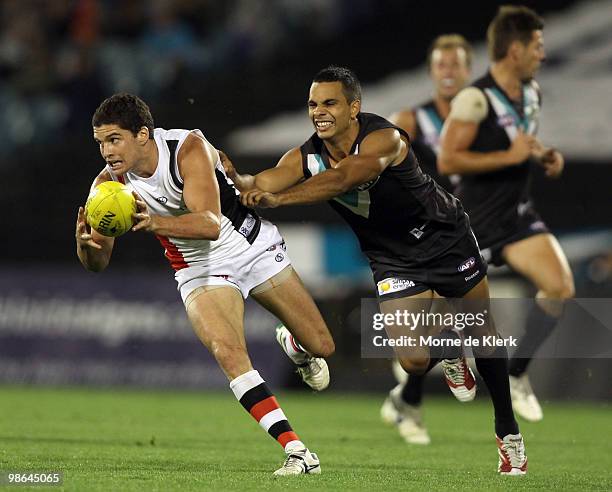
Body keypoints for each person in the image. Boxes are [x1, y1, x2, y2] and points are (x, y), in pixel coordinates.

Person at [224, 66, 528, 475]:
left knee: (483, 332)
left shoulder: (385, 138)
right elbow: (263, 180)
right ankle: (448, 349)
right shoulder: (305, 155)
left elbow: (347, 177)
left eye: (329, 103)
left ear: (354, 107)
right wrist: (235, 179)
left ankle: (507, 432)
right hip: (393, 258)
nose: (319, 112)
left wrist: (281, 201)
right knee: (413, 360)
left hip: (446, 240)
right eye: (313, 104)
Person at [75, 93, 336, 476]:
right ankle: (297, 450)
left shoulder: (187, 148)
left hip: (248, 243)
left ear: (143, 134)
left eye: (114, 139)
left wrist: (154, 223)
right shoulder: (108, 186)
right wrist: (86, 247)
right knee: (227, 350)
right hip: (197, 267)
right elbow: (98, 263)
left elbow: (211, 224)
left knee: (322, 345)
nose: (106, 151)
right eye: (100, 142)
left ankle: (296, 344)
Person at [439, 5, 575, 423]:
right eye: (537, 46)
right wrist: (508, 156)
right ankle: (449, 355)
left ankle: (516, 374)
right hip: (474, 220)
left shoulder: (531, 92)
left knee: (559, 288)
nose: (543, 54)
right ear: (514, 50)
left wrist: (543, 154)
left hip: (515, 217)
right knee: (437, 319)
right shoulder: (474, 99)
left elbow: (520, 142)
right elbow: (448, 160)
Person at [381, 34, 473, 445]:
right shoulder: (413, 119)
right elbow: (384, 166)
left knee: (448, 322)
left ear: (469, 71)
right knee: (441, 323)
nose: (449, 72)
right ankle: (408, 401)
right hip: (423, 233)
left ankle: (407, 400)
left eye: (455, 65)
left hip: (466, 225)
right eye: (441, 65)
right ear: (432, 71)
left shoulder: (483, 120)